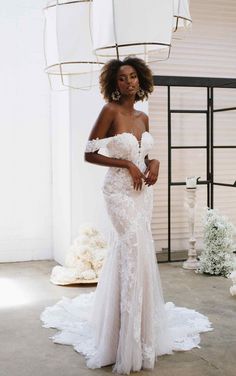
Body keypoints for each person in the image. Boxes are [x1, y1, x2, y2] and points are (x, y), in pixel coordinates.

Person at [41, 57, 213, 375]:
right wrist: (127, 165)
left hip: (141, 194)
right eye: (122, 78)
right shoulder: (110, 112)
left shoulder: (143, 117)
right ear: (114, 84)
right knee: (131, 249)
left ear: (141, 80)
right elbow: (89, 152)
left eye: (133, 76)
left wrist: (154, 164)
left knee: (138, 255)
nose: (129, 82)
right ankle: (123, 340)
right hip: (118, 193)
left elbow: (145, 155)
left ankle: (136, 332)